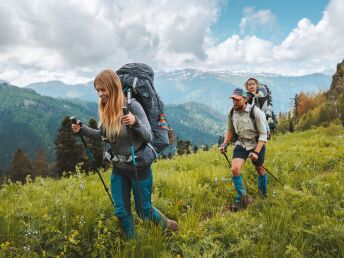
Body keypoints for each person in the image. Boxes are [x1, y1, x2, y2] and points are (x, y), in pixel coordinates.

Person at [71, 69, 178, 239]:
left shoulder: (132, 106)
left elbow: (148, 135)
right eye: (97, 90)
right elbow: (103, 135)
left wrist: (135, 122)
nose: (100, 94)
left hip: (139, 167)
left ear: (112, 87)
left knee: (144, 210)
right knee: (121, 211)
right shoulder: (107, 109)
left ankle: (169, 226)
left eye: (102, 89)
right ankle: (132, 244)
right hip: (119, 169)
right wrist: (82, 129)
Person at [219, 88, 268, 211]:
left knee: (259, 169)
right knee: (235, 169)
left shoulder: (255, 112)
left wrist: (256, 152)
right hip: (241, 144)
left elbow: (263, 134)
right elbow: (230, 130)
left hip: (256, 144)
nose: (234, 102)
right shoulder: (231, 113)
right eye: (233, 99)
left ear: (245, 99)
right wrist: (224, 144)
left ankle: (263, 196)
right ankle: (243, 198)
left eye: (237, 99)